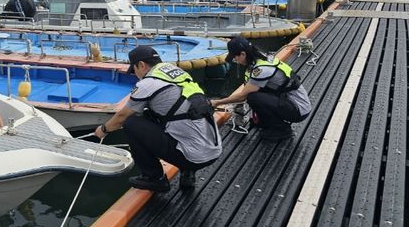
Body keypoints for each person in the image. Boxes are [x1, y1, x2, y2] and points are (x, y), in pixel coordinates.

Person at [94, 46, 222, 192]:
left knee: (131, 123)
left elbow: (122, 117)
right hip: (213, 150)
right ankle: (187, 172)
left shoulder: (148, 83)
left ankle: (154, 178)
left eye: (134, 70)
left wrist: (103, 130)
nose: (135, 75)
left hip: (193, 157)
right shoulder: (176, 73)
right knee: (164, 114)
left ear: (141, 65)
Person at [211, 37, 311, 141]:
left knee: (253, 97)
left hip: (299, 109)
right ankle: (266, 122)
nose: (235, 60)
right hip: (290, 100)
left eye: (235, 57)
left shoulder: (261, 69)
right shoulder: (260, 58)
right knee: (256, 95)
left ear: (243, 54)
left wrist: (217, 102)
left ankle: (282, 130)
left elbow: (242, 96)